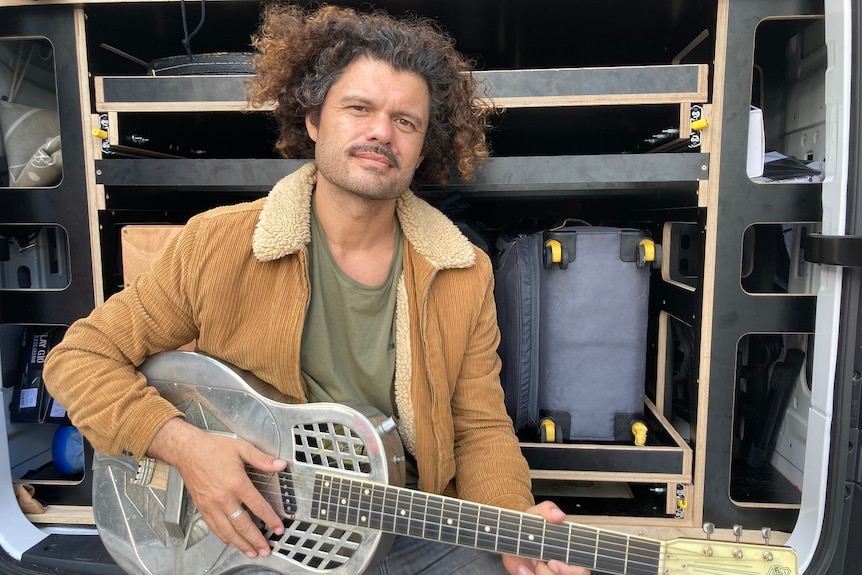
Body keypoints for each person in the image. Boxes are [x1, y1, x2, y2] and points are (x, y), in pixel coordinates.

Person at [43, 5, 590, 575]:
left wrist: (514, 522)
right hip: (254, 537)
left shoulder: (462, 271)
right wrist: (185, 448)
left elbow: (480, 426)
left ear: (423, 149)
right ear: (312, 119)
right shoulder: (218, 243)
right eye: (359, 108)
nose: (382, 131)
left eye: (407, 121)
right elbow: (79, 358)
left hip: (408, 528)